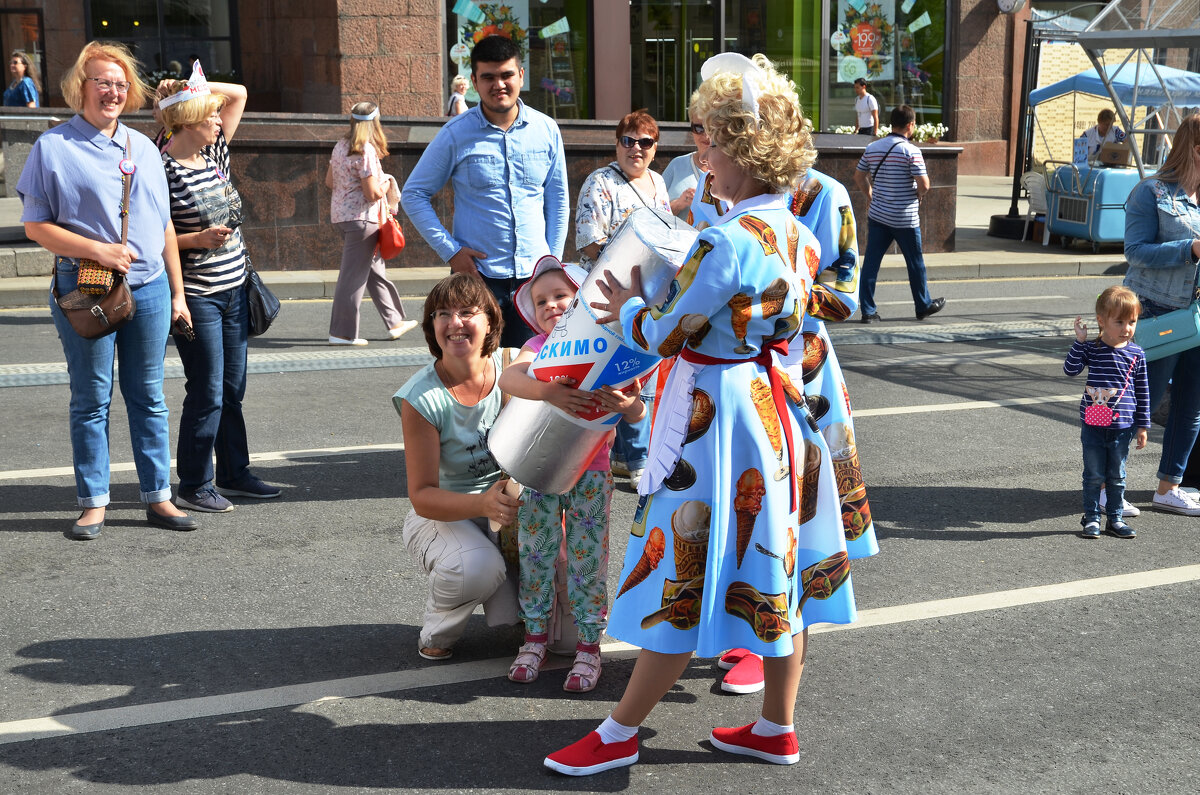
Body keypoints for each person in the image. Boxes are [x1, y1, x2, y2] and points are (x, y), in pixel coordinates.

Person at [544, 52, 857, 776]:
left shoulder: (725, 242)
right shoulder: (793, 230)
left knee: (680, 572)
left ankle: (620, 732)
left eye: (710, 138)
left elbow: (663, 330)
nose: (700, 152)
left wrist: (624, 304)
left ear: (741, 148)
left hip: (711, 420)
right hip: (769, 411)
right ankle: (776, 726)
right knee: (776, 568)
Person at [17, 41, 198, 540]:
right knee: (91, 396)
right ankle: (93, 502)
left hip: (152, 288)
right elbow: (36, 226)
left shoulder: (143, 147)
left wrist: (178, 293)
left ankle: (157, 496)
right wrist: (98, 250)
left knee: (149, 396)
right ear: (81, 87)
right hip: (87, 287)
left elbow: (162, 226)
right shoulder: (53, 147)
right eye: (102, 82)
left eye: (120, 84)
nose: (112, 92)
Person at [719, 164, 881, 695]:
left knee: (799, 511)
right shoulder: (700, 181)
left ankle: (780, 637)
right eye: (697, 128)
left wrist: (770, 296)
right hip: (732, 372)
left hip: (799, 368)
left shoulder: (825, 194)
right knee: (744, 506)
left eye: (715, 130)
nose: (702, 140)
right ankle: (745, 622)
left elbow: (846, 293)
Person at [499, 256, 645, 691]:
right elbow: (509, 378)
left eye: (561, 295)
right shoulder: (539, 347)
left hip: (592, 470)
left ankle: (588, 645)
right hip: (537, 467)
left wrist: (627, 406)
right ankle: (534, 638)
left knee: (588, 559)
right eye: (541, 300)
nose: (551, 306)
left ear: (582, 298)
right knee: (537, 552)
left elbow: (638, 410)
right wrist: (546, 391)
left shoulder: (612, 344)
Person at [156, 64, 281, 512]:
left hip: (234, 289)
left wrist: (189, 88)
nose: (218, 119)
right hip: (199, 294)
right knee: (206, 389)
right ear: (187, 120)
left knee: (232, 388)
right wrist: (197, 240)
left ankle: (233, 473)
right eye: (208, 114)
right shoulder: (161, 166)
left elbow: (239, 92)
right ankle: (193, 482)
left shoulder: (214, 155)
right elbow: (156, 233)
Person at [402, 34, 569, 349]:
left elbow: (558, 203)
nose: (499, 84)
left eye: (506, 75)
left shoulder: (546, 130)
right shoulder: (455, 134)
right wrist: (451, 252)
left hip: (535, 279)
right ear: (475, 82)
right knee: (475, 373)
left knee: (532, 373)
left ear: (521, 75)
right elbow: (413, 194)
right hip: (478, 278)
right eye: (488, 77)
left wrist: (553, 265)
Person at [393, 273, 521, 661]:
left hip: (509, 509)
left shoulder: (515, 365)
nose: (455, 322)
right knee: (477, 569)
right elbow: (422, 498)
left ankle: (519, 608)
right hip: (444, 515)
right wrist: (484, 505)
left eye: (468, 311)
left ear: (491, 321)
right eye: (442, 313)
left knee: (564, 641)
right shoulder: (421, 397)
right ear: (432, 326)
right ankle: (438, 630)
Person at [575, 109, 671, 488]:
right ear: (616, 144)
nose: (636, 149)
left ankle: (628, 456)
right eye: (628, 141)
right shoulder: (599, 182)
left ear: (654, 147)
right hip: (607, 291)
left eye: (644, 142)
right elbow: (589, 238)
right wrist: (625, 270)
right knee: (615, 373)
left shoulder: (658, 183)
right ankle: (632, 457)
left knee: (643, 368)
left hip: (649, 293)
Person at [1123, 112, 1200, 517]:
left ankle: (1169, 488)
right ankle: (1106, 486)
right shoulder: (1151, 192)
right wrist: (1190, 250)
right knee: (1140, 404)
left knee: (1192, 403)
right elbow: (1134, 252)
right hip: (1158, 310)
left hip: (1198, 315)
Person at [325, 101, 416, 346]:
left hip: (344, 217)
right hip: (364, 219)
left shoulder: (340, 146)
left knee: (375, 271)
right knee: (352, 279)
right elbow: (372, 194)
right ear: (375, 122)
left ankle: (395, 322)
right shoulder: (365, 150)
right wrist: (388, 182)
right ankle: (342, 334)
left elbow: (330, 182)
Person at [1064, 286, 1150, 539]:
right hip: (1093, 424)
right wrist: (1079, 342)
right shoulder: (1092, 349)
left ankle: (1114, 519)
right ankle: (1091, 518)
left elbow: (1143, 392)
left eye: (1132, 322)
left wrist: (1143, 426)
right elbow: (1070, 369)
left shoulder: (1136, 354)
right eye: (1120, 321)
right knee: (1093, 475)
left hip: (1123, 427)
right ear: (1102, 321)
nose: (1127, 328)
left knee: (1117, 476)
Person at [854, 104, 945, 323]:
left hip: (878, 215)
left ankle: (868, 311)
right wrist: (918, 194)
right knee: (915, 263)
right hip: (905, 218)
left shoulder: (873, 147)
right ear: (910, 125)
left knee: (871, 263)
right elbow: (924, 184)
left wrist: (870, 195)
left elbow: (859, 176)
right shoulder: (911, 151)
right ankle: (922, 305)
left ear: (891, 123)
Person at [660, 96, 707, 219]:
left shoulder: (730, 169)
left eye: (711, 128)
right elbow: (656, 213)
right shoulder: (677, 165)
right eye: (699, 128)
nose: (705, 135)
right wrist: (679, 203)